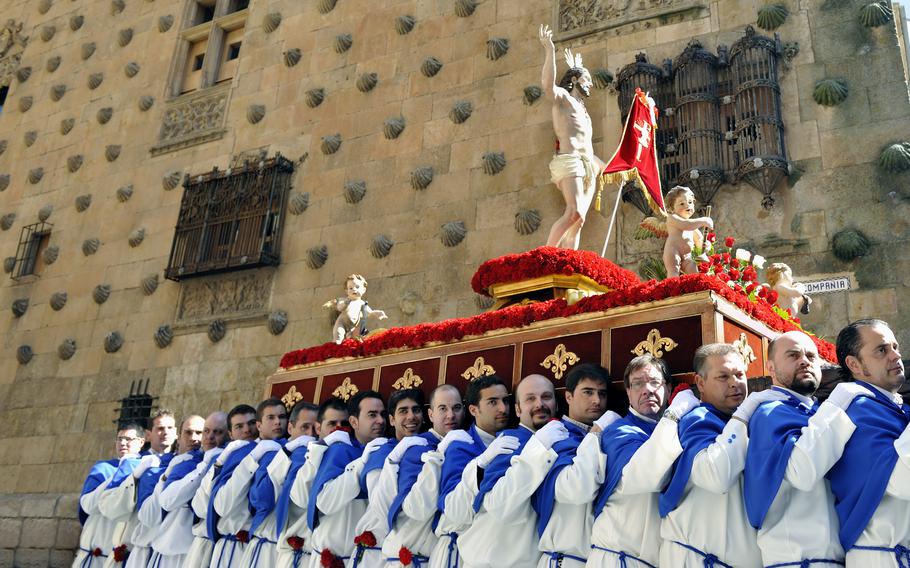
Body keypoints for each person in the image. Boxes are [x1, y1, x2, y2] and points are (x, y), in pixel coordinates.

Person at [742, 331, 873, 567]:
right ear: (770, 367)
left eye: (811, 356)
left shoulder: (817, 412)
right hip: (798, 560)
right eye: (793, 355)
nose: (804, 360)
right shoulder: (770, 412)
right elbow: (801, 473)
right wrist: (838, 402)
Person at [658, 344, 782, 567]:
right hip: (696, 558)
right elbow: (716, 476)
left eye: (739, 374)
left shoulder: (749, 420)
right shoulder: (697, 419)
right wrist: (745, 413)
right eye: (723, 376)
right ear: (701, 383)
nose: (735, 383)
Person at [458, 374, 566, 568]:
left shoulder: (563, 440)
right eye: (530, 398)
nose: (539, 404)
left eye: (547, 397)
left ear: (556, 404)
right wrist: (538, 448)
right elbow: (498, 504)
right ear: (517, 409)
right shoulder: (509, 441)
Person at [827, 319, 909, 567]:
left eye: (895, 346)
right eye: (882, 350)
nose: (896, 355)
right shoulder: (859, 411)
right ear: (854, 364)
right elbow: (902, 481)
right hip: (881, 556)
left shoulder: (897, 409)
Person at [429, 374, 512, 568]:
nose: (503, 408)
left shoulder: (512, 439)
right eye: (493, 402)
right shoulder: (461, 445)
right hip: (458, 552)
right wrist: (481, 464)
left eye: (505, 401)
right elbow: (453, 509)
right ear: (473, 409)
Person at [532, 363, 611, 567]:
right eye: (588, 392)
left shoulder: (607, 436)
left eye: (602, 394)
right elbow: (577, 489)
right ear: (568, 397)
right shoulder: (556, 435)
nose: (597, 400)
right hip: (563, 559)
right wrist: (595, 434)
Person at [382, 385, 466, 567]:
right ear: (430, 415)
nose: (451, 415)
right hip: (408, 558)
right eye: (443, 408)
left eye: (456, 408)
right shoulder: (419, 448)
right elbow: (416, 508)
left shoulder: (466, 444)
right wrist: (437, 457)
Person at [538, 24, 605, 250]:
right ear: (575, 79)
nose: (590, 84)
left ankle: (569, 262)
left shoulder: (584, 112)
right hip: (570, 161)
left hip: (588, 166)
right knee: (573, 211)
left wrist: (613, 169)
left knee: (579, 220)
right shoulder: (564, 99)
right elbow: (548, 86)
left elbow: (589, 151)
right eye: (586, 79)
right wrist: (549, 50)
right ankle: (546, 257)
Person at [307, 391, 389, 567]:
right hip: (332, 559)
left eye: (383, 414)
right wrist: (362, 463)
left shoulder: (387, 451)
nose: (380, 421)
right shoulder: (340, 450)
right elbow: (325, 501)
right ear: (354, 422)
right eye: (372, 415)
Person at [348, 388, 426, 567]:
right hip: (377, 556)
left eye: (416, 410)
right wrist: (393, 459)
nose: (411, 416)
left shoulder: (429, 448)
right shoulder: (381, 451)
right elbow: (381, 509)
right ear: (392, 420)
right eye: (403, 411)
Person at [209, 398, 288, 568]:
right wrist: (252, 459)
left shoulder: (292, 449)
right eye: (270, 417)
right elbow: (221, 504)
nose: (248, 429)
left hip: (270, 547)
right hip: (233, 545)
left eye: (282, 417)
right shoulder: (240, 452)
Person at [238, 401, 318, 568]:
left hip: (294, 551)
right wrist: (285, 454)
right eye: (304, 427)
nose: (310, 434)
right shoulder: (273, 452)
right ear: (290, 428)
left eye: (315, 429)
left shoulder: (318, 454)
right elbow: (260, 499)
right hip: (265, 546)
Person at [97, 409, 177, 568]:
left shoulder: (181, 464)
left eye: (170, 428)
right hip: (131, 552)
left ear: (176, 433)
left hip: (164, 555)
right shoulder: (132, 462)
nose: (165, 432)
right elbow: (107, 506)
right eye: (160, 428)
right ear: (148, 434)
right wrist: (135, 476)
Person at [276, 398, 350, 568]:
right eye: (332, 423)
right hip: (297, 551)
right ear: (319, 428)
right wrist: (320, 447)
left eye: (343, 423)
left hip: (327, 553)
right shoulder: (305, 453)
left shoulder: (349, 453)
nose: (338, 428)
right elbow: (300, 497)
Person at [183, 406, 256, 568]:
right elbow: (200, 507)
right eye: (239, 426)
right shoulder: (221, 457)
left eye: (251, 423)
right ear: (230, 434)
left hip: (243, 544)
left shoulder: (265, 451)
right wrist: (220, 462)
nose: (247, 430)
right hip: (214, 543)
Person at [153, 412, 228, 568]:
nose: (209, 437)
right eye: (206, 431)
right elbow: (167, 501)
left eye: (218, 432)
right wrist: (202, 468)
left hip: (205, 549)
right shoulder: (187, 461)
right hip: (171, 550)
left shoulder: (228, 461)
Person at [72, 423, 145, 568]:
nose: (123, 443)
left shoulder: (145, 468)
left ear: (141, 442)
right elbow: (87, 506)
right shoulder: (103, 468)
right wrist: (118, 476)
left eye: (129, 439)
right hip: (95, 552)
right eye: (120, 439)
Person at [138, 415, 206, 568]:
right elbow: (148, 517)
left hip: (192, 555)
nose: (194, 438)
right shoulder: (157, 468)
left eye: (199, 433)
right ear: (179, 436)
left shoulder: (207, 466)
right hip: (154, 552)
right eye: (188, 432)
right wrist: (166, 475)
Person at [662, 186, 714, 278]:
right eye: (682, 204)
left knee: (693, 269)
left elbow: (699, 240)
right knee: (674, 270)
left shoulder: (693, 226)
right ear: (672, 208)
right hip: (673, 251)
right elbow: (686, 225)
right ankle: (673, 288)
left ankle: (695, 289)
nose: (687, 206)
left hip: (687, 256)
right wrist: (703, 220)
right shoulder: (672, 218)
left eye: (690, 202)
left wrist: (706, 245)